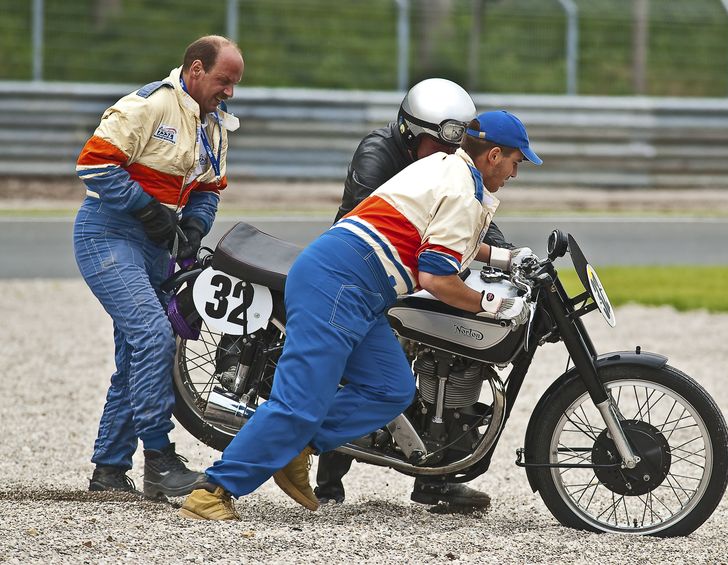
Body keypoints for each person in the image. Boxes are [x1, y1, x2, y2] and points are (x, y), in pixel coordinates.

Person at [179, 109, 542, 520]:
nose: (515, 172)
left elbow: (438, 232)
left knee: (391, 388)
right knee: (296, 405)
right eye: (517, 161)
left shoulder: (445, 167)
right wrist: (490, 304)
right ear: (494, 155)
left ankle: (299, 445)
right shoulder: (461, 191)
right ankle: (212, 491)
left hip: (354, 288)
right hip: (338, 285)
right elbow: (437, 277)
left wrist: (503, 256)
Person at [319, 78, 519, 509]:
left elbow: (469, 219)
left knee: (451, 351)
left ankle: (435, 478)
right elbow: (373, 215)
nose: (449, 156)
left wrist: (508, 256)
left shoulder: (449, 166)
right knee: (356, 365)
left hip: (410, 268)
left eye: (456, 146)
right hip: (366, 270)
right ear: (410, 134)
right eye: (437, 144)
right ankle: (328, 479)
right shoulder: (378, 152)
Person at [73, 35, 244, 499]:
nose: (229, 92)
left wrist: (195, 226)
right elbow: (92, 165)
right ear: (195, 70)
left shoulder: (216, 125)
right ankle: (159, 460)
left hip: (157, 247)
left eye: (235, 84)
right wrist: (148, 209)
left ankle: (108, 472)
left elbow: (210, 188)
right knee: (154, 335)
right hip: (107, 235)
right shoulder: (148, 105)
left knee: (137, 353)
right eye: (224, 81)